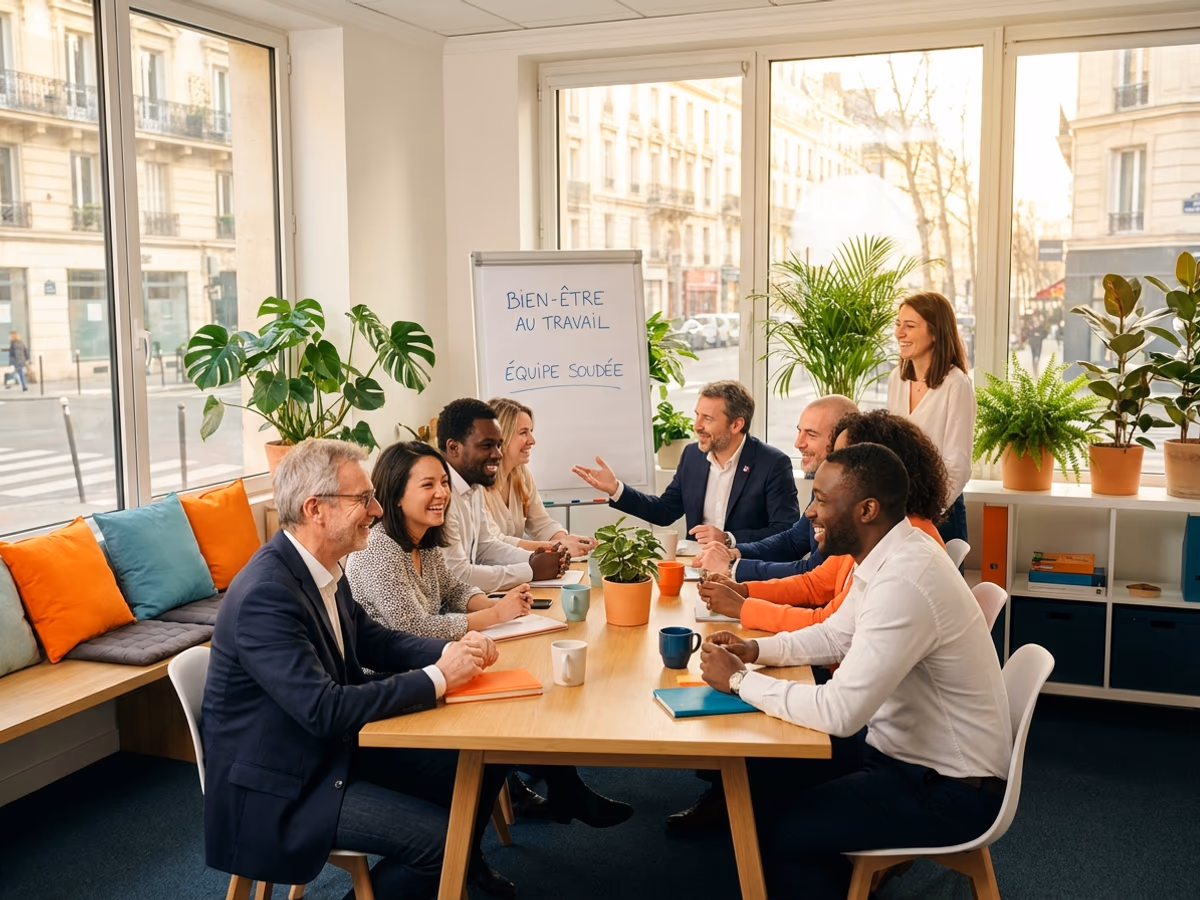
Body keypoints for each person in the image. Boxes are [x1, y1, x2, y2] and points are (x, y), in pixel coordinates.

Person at [201, 439, 514, 900]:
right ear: (315, 509)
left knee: (482, 761)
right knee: (443, 841)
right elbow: (324, 709)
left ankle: (448, 875)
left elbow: (376, 641)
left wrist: (452, 651)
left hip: (329, 753)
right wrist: (439, 677)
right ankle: (446, 867)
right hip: (285, 787)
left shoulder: (322, 568)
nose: (375, 509)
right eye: (363, 499)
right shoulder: (266, 595)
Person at [699, 443, 1011, 900]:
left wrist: (740, 680)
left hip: (947, 789)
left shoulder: (905, 580)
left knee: (776, 828)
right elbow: (833, 636)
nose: (809, 512)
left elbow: (841, 712)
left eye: (822, 500)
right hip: (908, 756)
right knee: (756, 777)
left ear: (866, 510)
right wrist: (753, 649)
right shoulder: (892, 554)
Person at [347, 440, 633, 830]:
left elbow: (453, 589)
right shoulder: (379, 549)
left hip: (434, 661)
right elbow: (409, 628)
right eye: (428, 485)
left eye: (444, 483)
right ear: (396, 493)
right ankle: (474, 848)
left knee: (526, 693)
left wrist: (492, 607)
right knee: (507, 723)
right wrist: (494, 616)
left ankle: (556, 794)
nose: (442, 493)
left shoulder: (424, 540)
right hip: (396, 682)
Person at [699, 410, 949, 634]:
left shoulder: (904, 544)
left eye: (842, 457)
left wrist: (744, 607)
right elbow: (815, 584)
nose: (811, 513)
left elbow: (830, 628)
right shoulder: (873, 526)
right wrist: (744, 591)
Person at [572, 380, 799, 546]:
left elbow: (786, 531)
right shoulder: (692, 455)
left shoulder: (773, 463)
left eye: (707, 418)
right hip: (696, 566)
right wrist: (615, 489)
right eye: (697, 415)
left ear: (736, 425)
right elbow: (665, 511)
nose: (696, 426)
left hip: (745, 566)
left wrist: (729, 539)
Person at [693, 394, 856, 581]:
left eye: (811, 435)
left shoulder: (846, 496)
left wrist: (733, 567)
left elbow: (813, 572)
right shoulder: (825, 481)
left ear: (841, 441)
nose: (798, 443)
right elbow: (794, 540)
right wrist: (735, 553)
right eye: (799, 431)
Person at [439, 398, 571, 592]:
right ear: (454, 448)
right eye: (487, 446)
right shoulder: (441, 495)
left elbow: (485, 546)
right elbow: (457, 575)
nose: (498, 454)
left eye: (499, 445)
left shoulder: (473, 486)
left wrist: (535, 558)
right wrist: (531, 569)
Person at [888, 292, 975, 545]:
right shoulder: (898, 379)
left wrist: (926, 513)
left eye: (910, 326)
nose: (899, 333)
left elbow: (958, 465)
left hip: (940, 512)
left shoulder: (956, 384)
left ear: (935, 332)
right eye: (898, 324)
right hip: (899, 511)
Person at [486, 397, 595, 558]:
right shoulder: (475, 486)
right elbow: (493, 543)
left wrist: (567, 541)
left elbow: (541, 524)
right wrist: (557, 547)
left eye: (531, 432)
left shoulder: (521, 475)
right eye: (523, 433)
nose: (532, 440)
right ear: (501, 438)